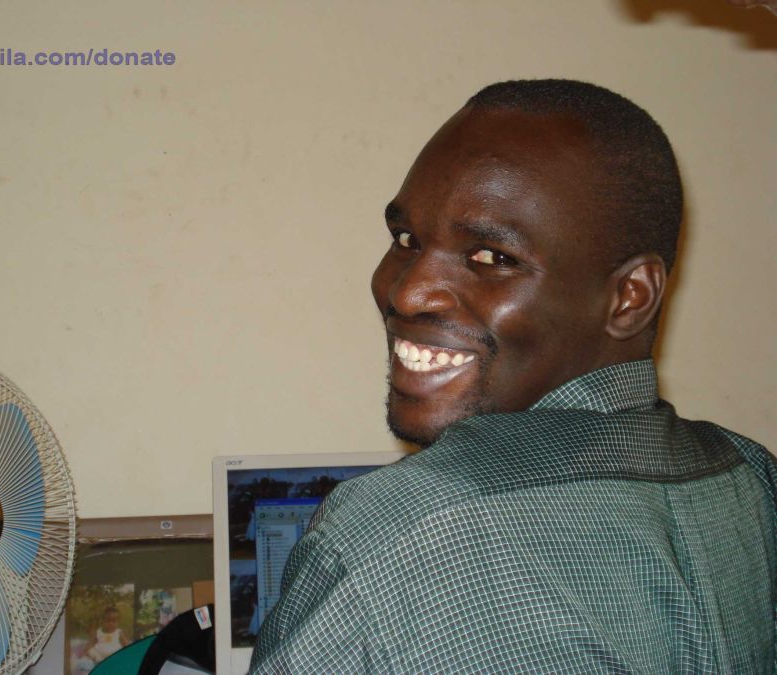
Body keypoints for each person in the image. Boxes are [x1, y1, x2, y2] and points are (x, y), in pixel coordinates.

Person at [249, 79, 776, 673]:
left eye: (491, 258)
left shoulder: (392, 533)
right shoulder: (749, 477)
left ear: (629, 299)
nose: (407, 290)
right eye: (406, 239)